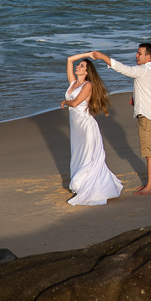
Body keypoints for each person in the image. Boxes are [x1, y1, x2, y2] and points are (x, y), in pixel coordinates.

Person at [87, 43, 151, 195]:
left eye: (139, 53)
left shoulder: (143, 70)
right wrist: (139, 100)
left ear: (148, 56)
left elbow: (123, 69)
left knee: (150, 153)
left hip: (148, 118)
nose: (136, 56)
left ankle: (150, 186)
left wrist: (103, 57)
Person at [60, 54, 123, 206]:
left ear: (87, 72)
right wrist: (88, 55)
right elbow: (69, 59)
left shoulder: (87, 85)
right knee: (78, 154)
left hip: (86, 126)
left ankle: (85, 185)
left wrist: (64, 101)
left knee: (88, 157)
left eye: (82, 66)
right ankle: (80, 185)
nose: (78, 67)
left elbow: (74, 103)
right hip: (76, 127)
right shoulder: (73, 83)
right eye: (79, 65)